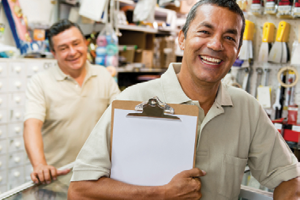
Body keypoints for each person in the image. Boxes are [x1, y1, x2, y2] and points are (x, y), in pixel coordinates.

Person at [68, 1, 300, 199]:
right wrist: (160, 193)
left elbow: (290, 181)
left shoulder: (247, 108)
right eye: (205, 32)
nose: (216, 45)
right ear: (182, 39)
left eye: (229, 37)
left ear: (237, 52)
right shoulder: (134, 101)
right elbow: (80, 191)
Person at [23, 19, 120, 184]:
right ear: (54, 53)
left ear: (86, 43)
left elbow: (121, 117)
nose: (72, 52)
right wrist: (40, 165)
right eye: (63, 48)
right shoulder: (40, 82)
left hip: (97, 175)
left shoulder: (103, 75)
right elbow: (31, 125)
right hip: (57, 178)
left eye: (76, 43)